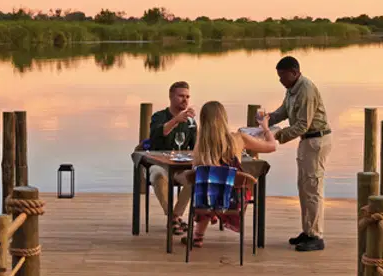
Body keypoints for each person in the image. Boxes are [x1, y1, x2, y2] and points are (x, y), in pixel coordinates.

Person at [260, 55, 331, 251]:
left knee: (313, 188)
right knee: (304, 187)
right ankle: (308, 231)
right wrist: (267, 120)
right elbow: (283, 111)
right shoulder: (292, 89)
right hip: (306, 142)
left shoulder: (306, 89)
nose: (280, 80)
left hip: (316, 141)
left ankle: (316, 236)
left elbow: (302, 125)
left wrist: (275, 137)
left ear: (294, 72)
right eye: (279, 76)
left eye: (282, 76)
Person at [185, 100, 276, 245]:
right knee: (224, 184)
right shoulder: (238, 139)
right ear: (224, 118)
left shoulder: (200, 145)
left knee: (207, 183)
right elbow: (272, 146)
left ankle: (198, 235)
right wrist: (265, 128)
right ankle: (201, 230)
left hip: (206, 202)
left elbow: (195, 172)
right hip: (234, 200)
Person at [138, 81, 196, 235]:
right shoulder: (159, 116)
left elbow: (195, 148)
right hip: (158, 165)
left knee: (195, 178)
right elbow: (156, 136)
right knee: (157, 175)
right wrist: (176, 120)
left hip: (179, 167)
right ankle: (172, 216)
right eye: (181, 96)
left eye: (187, 97)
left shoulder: (190, 121)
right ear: (171, 97)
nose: (185, 100)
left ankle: (175, 216)